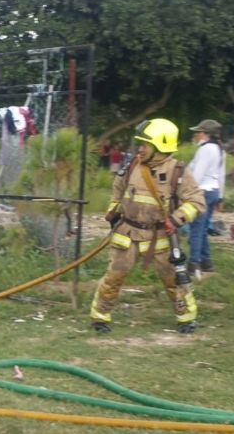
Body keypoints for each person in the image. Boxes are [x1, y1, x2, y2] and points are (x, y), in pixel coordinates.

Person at [92, 119, 205, 334]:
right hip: (127, 233)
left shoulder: (177, 172)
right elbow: (118, 188)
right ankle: (100, 317)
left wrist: (176, 219)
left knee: (173, 279)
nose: (140, 149)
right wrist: (113, 211)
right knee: (114, 276)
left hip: (161, 236)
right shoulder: (132, 165)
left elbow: (197, 202)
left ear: (160, 146)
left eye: (145, 145)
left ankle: (186, 318)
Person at [187, 119, 226, 279]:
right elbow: (221, 175)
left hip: (201, 192)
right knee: (202, 229)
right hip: (213, 191)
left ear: (206, 134)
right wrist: (221, 197)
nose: (196, 135)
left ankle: (194, 263)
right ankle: (207, 262)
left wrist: (188, 193)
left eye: (198, 132)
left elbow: (197, 175)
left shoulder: (205, 150)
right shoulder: (219, 149)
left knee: (196, 229)